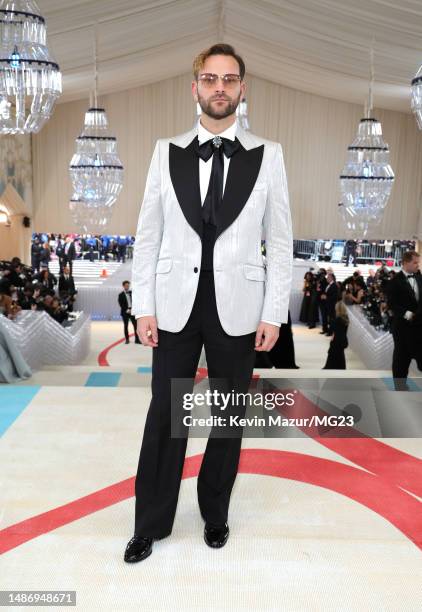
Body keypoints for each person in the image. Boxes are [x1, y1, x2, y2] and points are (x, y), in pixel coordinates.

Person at [125, 43, 293, 563]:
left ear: (243, 89)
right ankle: (150, 523)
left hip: (240, 308)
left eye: (229, 79)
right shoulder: (165, 151)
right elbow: (147, 237)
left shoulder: (269, 155)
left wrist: (273, 313)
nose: (219, 87)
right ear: (194, 87)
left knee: (227, 417)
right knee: (167, 417)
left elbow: (281, 240)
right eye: (209, 78)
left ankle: (215, 514)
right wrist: (144, 305)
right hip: (175, 305)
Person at [385, 250, 422, 390]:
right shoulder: (394, 281)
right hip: (402, 328)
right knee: (401, 360)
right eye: (415, 262)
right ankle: (400, 387)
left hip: (420, 327)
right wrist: (407, 314)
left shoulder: (419, 277)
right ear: (405, 263)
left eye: (418, 262)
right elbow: (392, 303)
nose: (418, 265)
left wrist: (418, 314)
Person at [322, 300, 349, 369]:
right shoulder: (346, 319)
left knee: (332, 356)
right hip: (343, 340)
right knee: (340, 356)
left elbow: (332, 330)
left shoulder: (337, 320)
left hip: (336, 340)